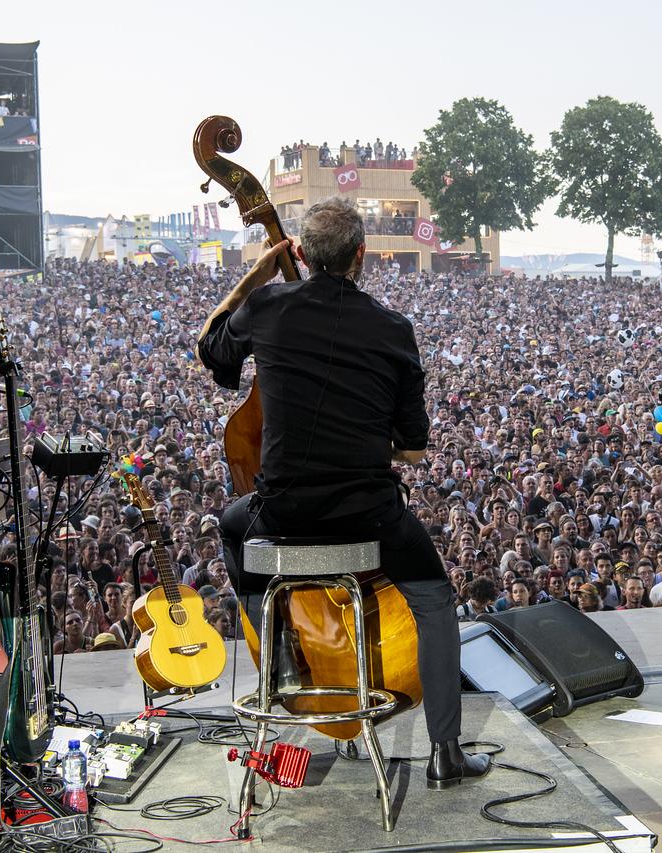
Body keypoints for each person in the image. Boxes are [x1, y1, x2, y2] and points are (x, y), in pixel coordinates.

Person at [199, 196, 490, 789]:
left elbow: (212, 349)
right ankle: (446, 754)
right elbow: (411, 451)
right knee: (436, 604)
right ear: (363, 255)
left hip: (284, 516)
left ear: (300, 254)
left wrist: (253, 276)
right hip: (369, 520)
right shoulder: (392, 328)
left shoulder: (269, 306)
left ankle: (279, 652)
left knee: (231, 522)